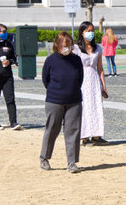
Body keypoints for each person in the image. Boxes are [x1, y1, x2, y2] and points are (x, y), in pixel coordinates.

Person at [40, 32, 84, 173]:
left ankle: (72, 162)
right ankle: (44, 157)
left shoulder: (76, 60)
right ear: (57, 45)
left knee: (73, 131)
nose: (67, 48)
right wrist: (56, 91)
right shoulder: (51, 60)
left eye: (69, 45)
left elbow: (80, 78)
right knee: (52, 129)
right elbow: (45, 79)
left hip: (74, 100)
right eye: (64, 45)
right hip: (55, 100)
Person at [73, 21, 109, 147]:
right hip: (81, 80)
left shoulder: (97, 48)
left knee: (96, 106)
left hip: (94, 79)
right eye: (88, 31)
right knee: (83, 107)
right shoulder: (76, 48)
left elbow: (100, 68)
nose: (90, 33)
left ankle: (96, 135)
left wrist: (103, 84)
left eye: (92, 31)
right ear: (82, 32)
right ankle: (84, 136)